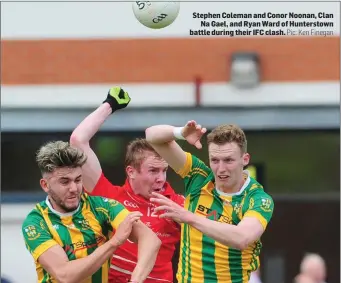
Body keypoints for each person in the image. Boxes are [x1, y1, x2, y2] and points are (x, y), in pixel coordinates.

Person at [70, 87, 185, 283]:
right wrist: (110, 105)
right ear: (131, 172)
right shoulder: (109, 195)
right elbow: (78, 141)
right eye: (153, 171)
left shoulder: (178, 204)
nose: (161, 178)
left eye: (164, 170)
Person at [145, 121, 275, 283]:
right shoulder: (198, 177)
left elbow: (242, 238)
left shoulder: (257, 198)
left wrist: (188, 217)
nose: (221, 169)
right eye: (215, 160)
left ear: (245, 159)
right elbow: (151, 135)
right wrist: (180, 133)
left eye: (228, 160)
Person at [22, 141, 161, 283]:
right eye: (65, 182)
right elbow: (65, 275)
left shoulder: (102, 207)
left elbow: (150, 239)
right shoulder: (35, 223)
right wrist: (115, 242)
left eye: (78, 180)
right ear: (45, 185)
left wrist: (135, 280)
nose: (74, 188)